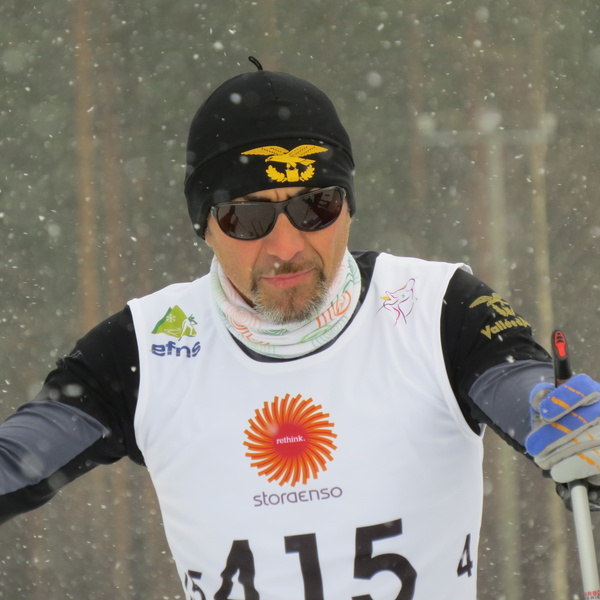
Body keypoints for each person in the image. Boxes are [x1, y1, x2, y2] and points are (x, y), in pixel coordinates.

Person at [1, 57, 600, 599]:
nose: (286, 246)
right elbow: (20, 459)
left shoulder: (436, 307)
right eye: (248, 217)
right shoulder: (146, 345)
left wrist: (563, 421)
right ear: (204, 226)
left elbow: (522, 386)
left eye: (315, 207)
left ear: (349, 208)